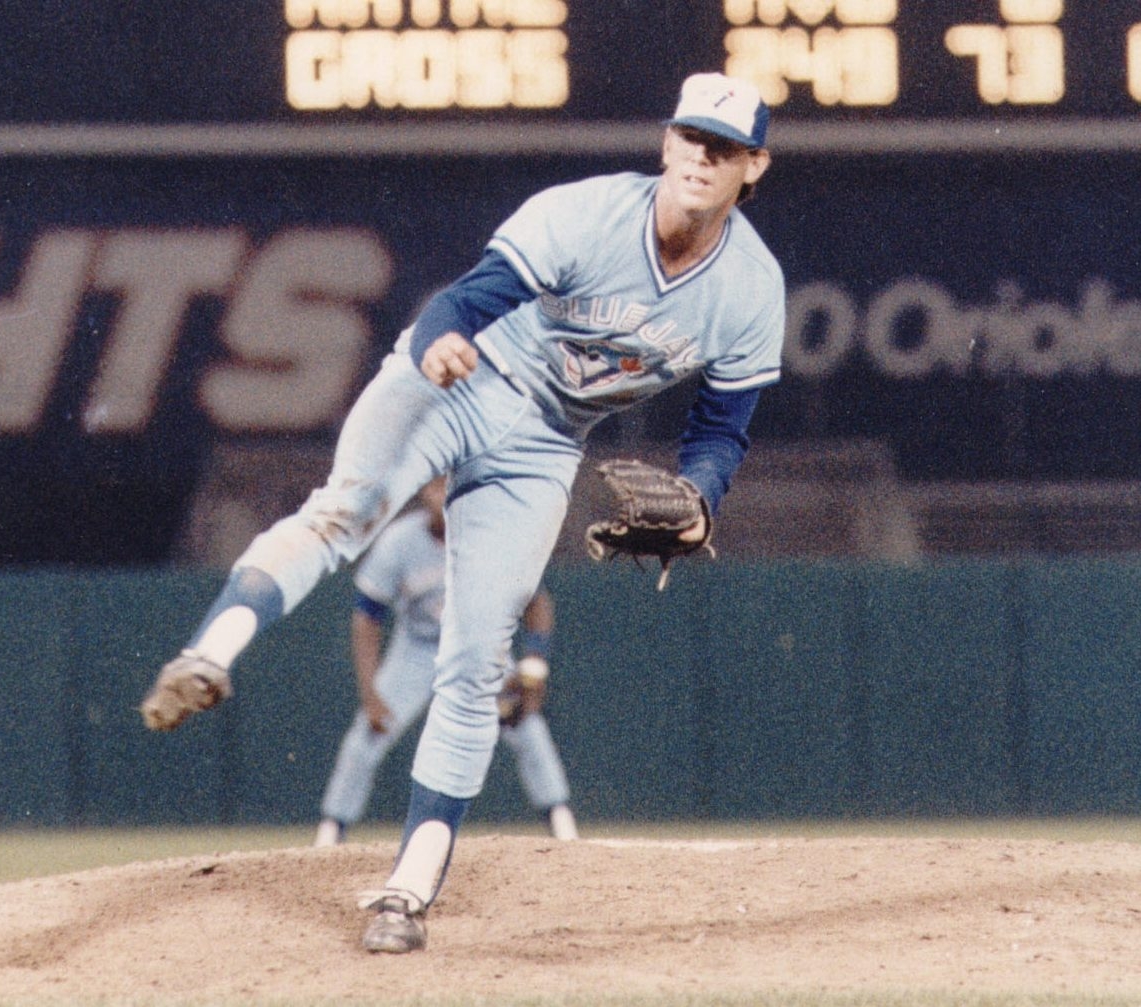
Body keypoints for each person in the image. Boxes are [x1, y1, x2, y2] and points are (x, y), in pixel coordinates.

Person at [140, 71, 784, 954]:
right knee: (346, 513)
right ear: (665, 142)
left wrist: (702, 498)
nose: (700, 160)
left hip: (547, 443)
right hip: (462, 378)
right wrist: (441, 337)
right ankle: (207, 655)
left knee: (480, 652)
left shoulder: (750, 288)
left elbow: (721, 429)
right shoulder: (583, 214)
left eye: (723, 148)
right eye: (689, 139)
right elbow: (465, 298)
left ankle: (406, 891)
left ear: (754, 165)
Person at [313, 476, 578, 847]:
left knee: (528, 727)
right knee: (366, 734)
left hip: (477, 647)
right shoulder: (400, 542)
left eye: (448, 485)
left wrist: (534, 668)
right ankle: (330, 832)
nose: (441, 495)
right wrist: (369, 689)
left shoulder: (490, 536)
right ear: (423, 491)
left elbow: (537, 602)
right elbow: (366, 616)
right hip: (417, 649)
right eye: (435, 486)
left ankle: (562, 824)